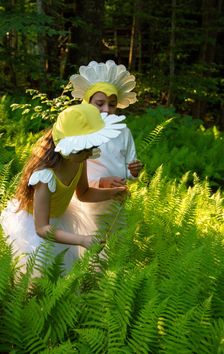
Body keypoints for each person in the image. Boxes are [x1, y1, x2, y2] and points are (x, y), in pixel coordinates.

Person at [0, 103, 127, 271]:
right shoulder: (45, 177)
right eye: (84, 149)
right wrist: (81, 239)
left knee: (63, 271)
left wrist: (111, 193)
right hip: (35, 226)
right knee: (38, 275)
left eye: (92, 147)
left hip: (61, 220)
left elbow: (84, 193)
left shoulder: (78, 160)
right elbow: (42, 228)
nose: (89, 154)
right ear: (68, 147)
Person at [69, 60, 142, 246]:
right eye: (99, 104)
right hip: (88, 204)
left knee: (117, 247)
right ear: (87, 102)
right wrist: (101, 182)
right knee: (92, 250)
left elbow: (128, 168)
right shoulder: (80, 131)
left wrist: (132, 172)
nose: (106, 110)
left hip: (116, 202)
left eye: (112, 105)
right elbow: (72, 172)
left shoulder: (123, 131)